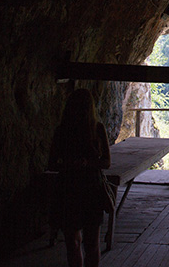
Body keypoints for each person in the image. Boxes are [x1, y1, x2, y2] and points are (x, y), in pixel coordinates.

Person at [48, 89, 111, 267]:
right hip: (86, 188)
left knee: (76, 243)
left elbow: (51, 164)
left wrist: (75, 164)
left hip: (71, 188)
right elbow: (105, 162)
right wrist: (84, 164)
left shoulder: (66, 131)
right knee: (89, 243)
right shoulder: (95, 129)